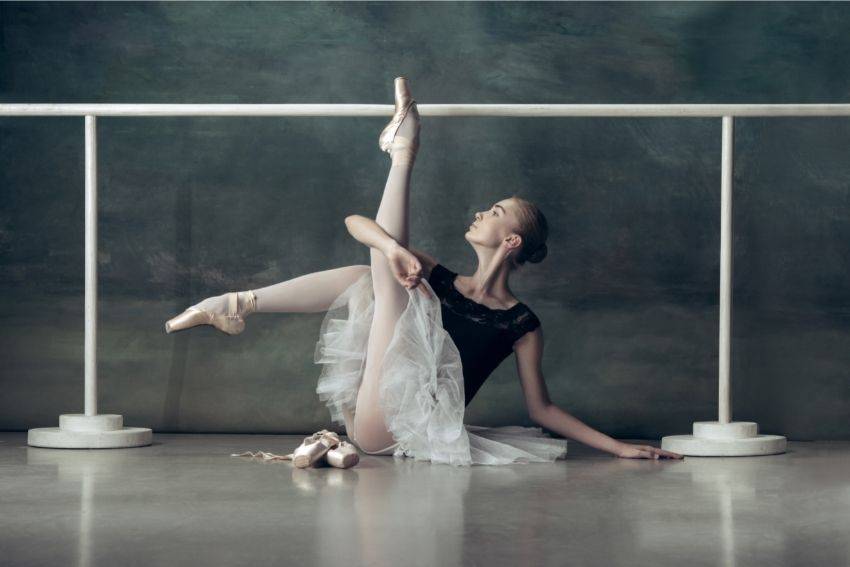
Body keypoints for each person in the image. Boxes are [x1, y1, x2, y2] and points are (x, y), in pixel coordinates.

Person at [165, 77, 682, 465]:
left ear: (512, 241)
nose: (481, 212)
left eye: (496, 212)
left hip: (405, 430)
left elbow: (542, 409)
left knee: (386, 280)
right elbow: (354, 223)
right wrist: (393, 249)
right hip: (371, 405)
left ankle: (404, 150)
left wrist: (618, 448)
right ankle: (236, 304)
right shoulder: (434, 275)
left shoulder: (521, 323)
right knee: (375, 275)